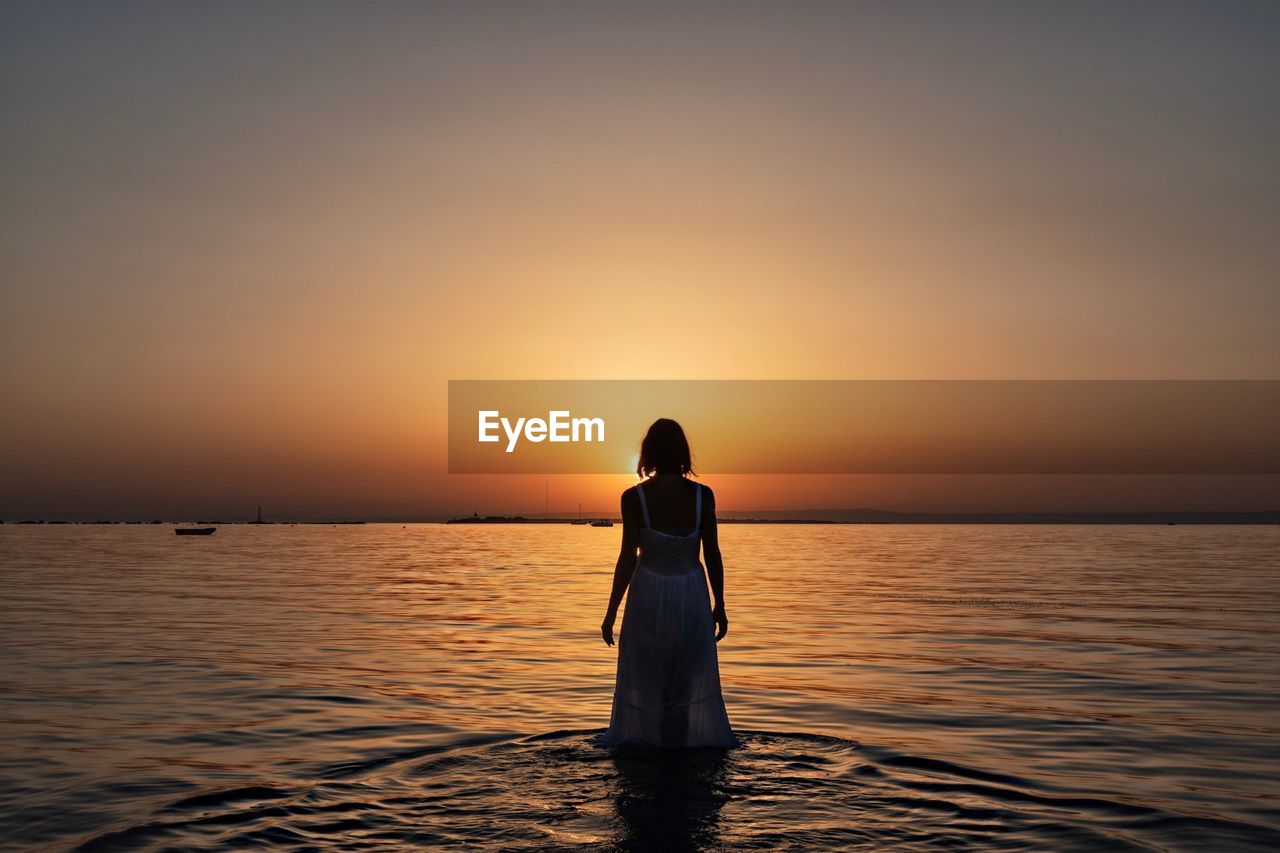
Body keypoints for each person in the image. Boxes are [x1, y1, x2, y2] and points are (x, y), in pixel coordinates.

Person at [599, 418, 736, 748]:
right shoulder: (703, 496)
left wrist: (611, 613)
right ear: (683, 453)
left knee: (648, 679)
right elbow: (712, 554)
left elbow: (627, 559)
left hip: (647, 594)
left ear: (649, 454)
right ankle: (681, 750)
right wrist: (720, 604)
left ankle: (651, 751)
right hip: (691, 595)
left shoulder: (634, 498)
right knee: (685, 680)